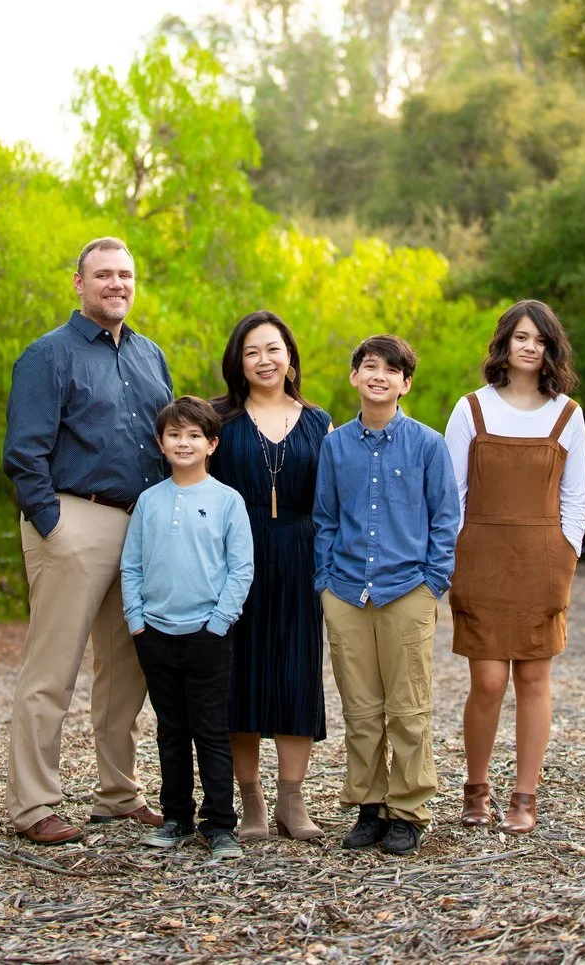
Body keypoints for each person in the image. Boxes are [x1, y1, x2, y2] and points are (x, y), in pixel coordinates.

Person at [3, 236, 173, 844]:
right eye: (103, 275)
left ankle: (117, 794)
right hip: (75, 521)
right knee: (53, 669)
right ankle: (34, 804)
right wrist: (53, 525)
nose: (116, 284)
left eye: (125, 275)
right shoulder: (48, 355)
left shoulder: (152, 356)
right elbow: (24, 453)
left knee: (127, 671)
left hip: (141, 526)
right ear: (79, 284)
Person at [444, 300, 585, 835]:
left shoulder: (567, 415)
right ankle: (475, 788)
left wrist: (564, 559)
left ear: (552, 350)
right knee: (486, 680)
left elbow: (576, 501)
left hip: (542, 560)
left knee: (533, 677)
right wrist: (454, 558)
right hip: (479, 557)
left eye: (541, 339)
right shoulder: (470, 410)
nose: (530, 347)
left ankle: (524, 796)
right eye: (521, 337)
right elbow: (450, 495)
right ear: (504, 344)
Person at [313, 335, 459, 856]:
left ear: (405, 383)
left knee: (409, 708)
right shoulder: (336, 445)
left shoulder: (427, 444)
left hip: (406, 590)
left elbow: (446, 518)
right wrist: (325, 581)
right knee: (360, 708)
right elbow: (326, 518)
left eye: (391, 370)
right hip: (348, 591)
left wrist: (432, 582)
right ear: (354, 377)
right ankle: (369, 807)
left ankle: (409, 811)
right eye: (369, 367)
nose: (379, 376)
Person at [209, 310, 331, 841]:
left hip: (302, 554)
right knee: (241, 675)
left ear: (290, 357)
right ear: (237, 360)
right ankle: (251, 798)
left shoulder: (319, 423)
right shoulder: (219, 422)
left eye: (273, 349)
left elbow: (335, 501)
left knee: (296, 673)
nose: (264, 359)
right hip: (235, 559)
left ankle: (291, 798)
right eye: (252, 351)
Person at [120, 396, 254, 859]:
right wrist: (137, 621)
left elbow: (241, 570)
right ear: (160, 443)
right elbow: (131, 567)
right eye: (174, 435)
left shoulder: (226, 501)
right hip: (155, 634)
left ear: (212, 444)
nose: (184, 442)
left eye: (194, 435)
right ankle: (176, 816)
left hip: (207, 635)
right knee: (170, 730)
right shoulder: (149, 501)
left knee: (211, 732)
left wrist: (218, 624)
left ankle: (220, 826)